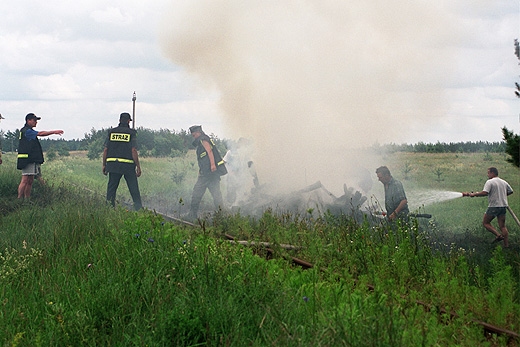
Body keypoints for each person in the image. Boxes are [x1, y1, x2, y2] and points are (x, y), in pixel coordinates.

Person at [462, 167, 513, 247]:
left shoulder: (490, 182)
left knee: (485, 223)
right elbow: (510, 191)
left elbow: (485, 193)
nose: (487, 174)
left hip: (494, 206)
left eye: (488, 173)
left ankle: (498, 235)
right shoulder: (503, 182)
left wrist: (474, 194)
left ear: (492, 173)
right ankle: (506, 245)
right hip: (503, 206)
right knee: (503, 226)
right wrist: (501, 196)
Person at [17, 113, 64, 199]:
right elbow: (41, 133)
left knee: (30, 180)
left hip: (31, 159)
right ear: (28, 120)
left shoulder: (28, 130)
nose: (36, 122)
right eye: (34, 120)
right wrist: (54, 132)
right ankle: (19, 198)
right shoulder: (27, 131)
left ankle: (27, 198)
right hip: (27, 160)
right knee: (25, 180)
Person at [102, 112, 142, 211]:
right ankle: (139, 210)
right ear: (129, 121)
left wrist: (104, 165)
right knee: (134, 190)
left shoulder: (111, 132)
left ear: (119, 120)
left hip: (113, 165)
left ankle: (109, 210)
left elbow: (106, 149)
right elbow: (133, 150)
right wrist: (138, 166)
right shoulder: (131, 133)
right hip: (128, 166)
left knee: (111, 189)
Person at [188, 125, 227, 220]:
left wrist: (213, 165)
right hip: (209, 173)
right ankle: (222, 215)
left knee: (197, 193)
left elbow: (209, 152)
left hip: (208, 174)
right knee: (216, 194)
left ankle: (192, 215)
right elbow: (203, 159)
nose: (194, 137)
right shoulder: (204, 139)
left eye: (194, 135)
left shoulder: (203, 139)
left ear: (198, 132)